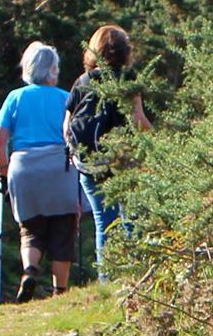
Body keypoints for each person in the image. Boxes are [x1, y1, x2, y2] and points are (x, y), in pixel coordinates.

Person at [65, 23, 152, 282]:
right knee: (131, 220)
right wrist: (159, 141)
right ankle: (135, 279)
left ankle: (107, 283)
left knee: (104, 223)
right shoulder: (127, 82)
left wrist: (75, 153)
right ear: (125, 51)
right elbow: (138, 120)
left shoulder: (81, 82)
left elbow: (67, 125)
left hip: (89, 166)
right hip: (123, 163)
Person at [0, 42, 75, 301]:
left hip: (24, 167)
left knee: (30, 228)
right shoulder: (65, 98)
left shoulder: (16, 97)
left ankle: (30, 270)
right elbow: (73, 135)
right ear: (51, 70)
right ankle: (59, 291)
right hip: (59, 167)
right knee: (63, 227)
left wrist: (2, 171)